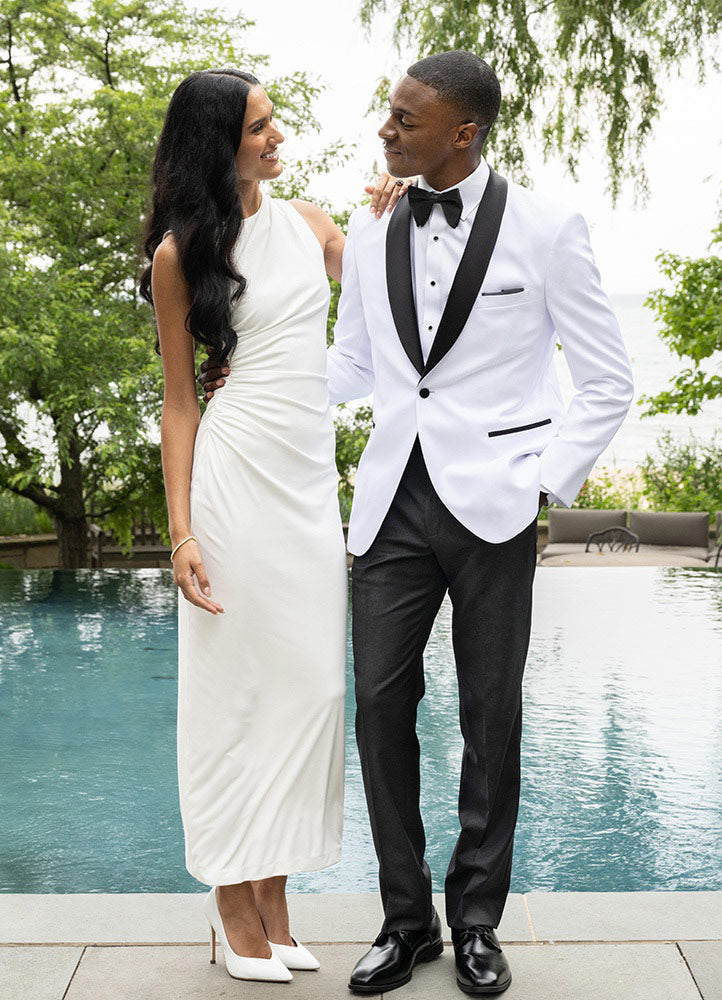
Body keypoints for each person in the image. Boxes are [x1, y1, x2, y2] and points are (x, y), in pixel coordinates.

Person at [200, 51, 634, 996]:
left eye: (404, 118)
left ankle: (477, 920)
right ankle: (407, 925)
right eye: (389, 113)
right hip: (389, 501)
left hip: (496, 504)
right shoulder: (373, 221)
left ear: (462, 131)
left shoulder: (550, 227)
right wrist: (260, 384)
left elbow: (608, 381)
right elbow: (353, 366)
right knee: (378, 710)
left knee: (491, 714)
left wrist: (541, 484)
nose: (385, 130)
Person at [139, 67, 408, 984]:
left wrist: (391, 210)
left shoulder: (310, 223)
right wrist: (180, 534)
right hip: (234, 478)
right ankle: (232, 901)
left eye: (272, 120)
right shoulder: (181, 257)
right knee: (234, 695)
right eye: (259, 125)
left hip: (305, 488)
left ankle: (276, 901)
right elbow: (180, 405)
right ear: (218, 141)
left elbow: (386, 284)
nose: (278, 134)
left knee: (309, 694)